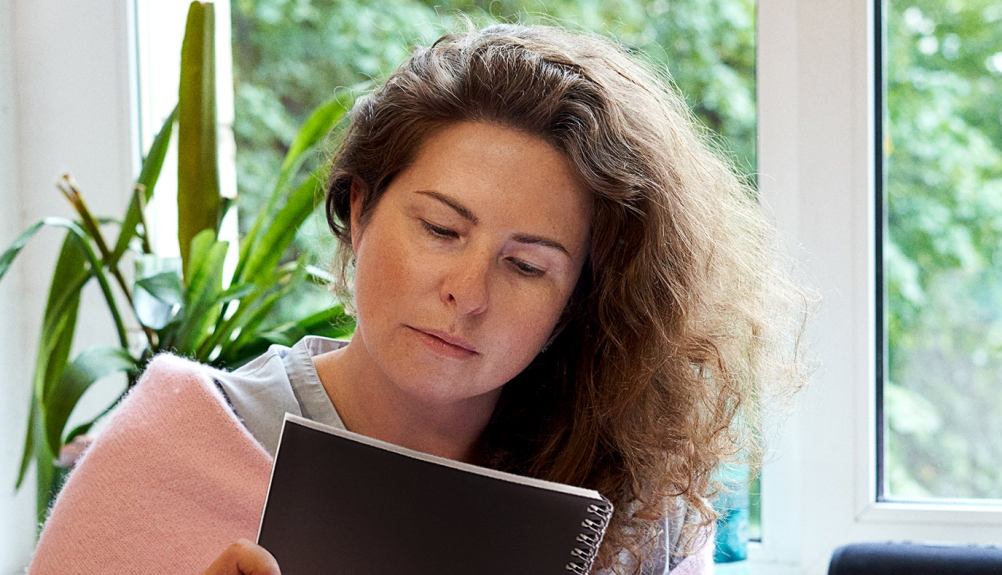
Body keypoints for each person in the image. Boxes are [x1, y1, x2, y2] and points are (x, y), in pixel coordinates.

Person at [29, 23, 810, 575]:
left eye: (528, 266)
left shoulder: (637, 509)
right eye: (441, 228)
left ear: (577, 303)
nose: (466, 294)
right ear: (359, 211)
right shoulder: (175, 443)